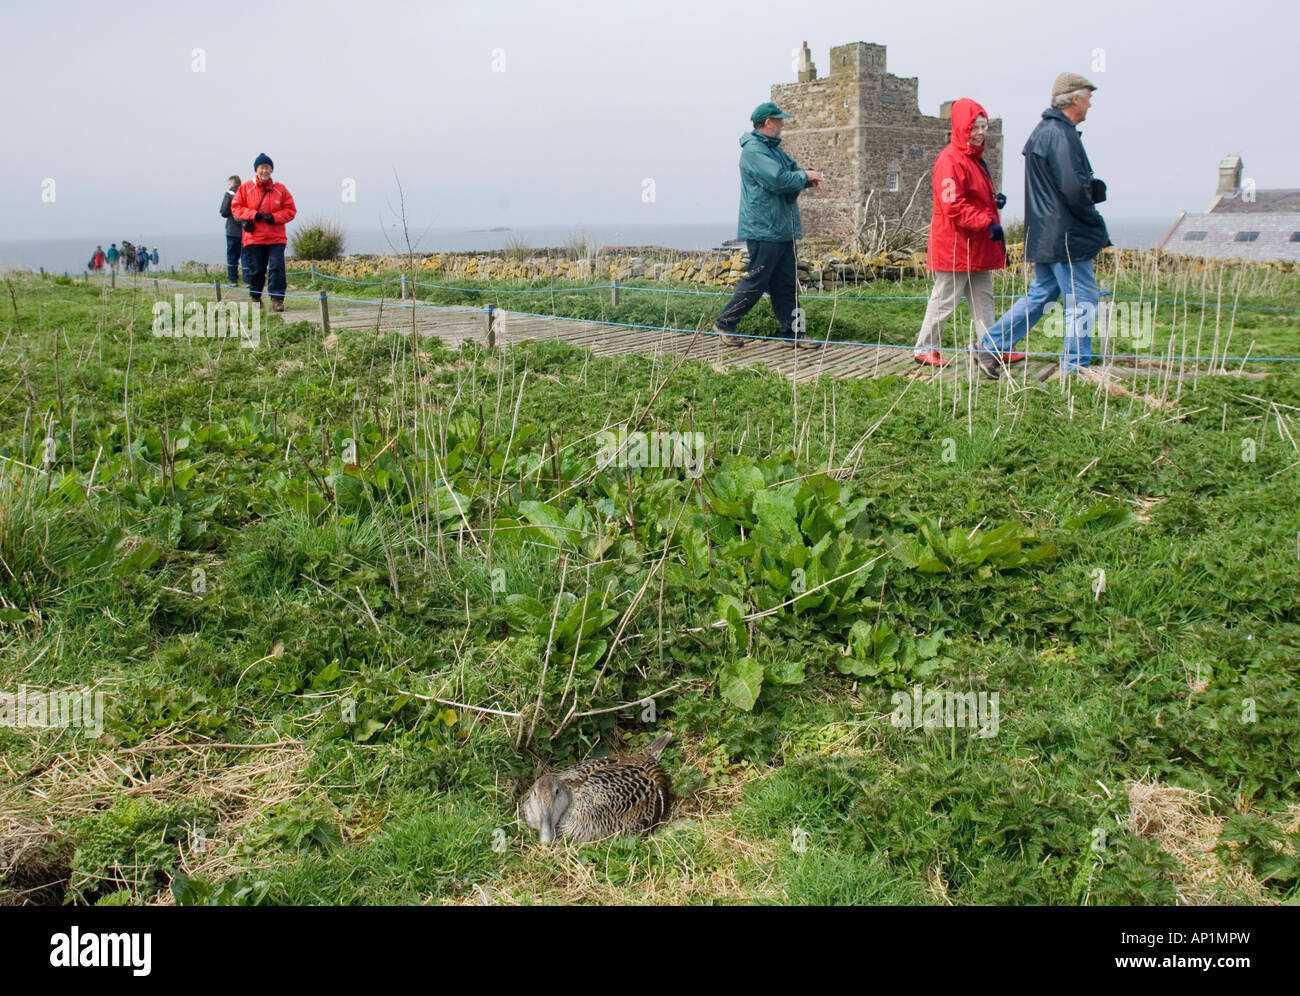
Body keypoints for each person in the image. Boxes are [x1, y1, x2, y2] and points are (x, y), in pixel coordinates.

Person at [976, 73, 1110, 378]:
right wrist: (1091, 213)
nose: (1089, 104)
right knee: (1083, 299)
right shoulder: (1060, 135)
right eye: (1088, 97)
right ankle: (1076, 368)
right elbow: (1072, 188)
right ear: (1075, 98)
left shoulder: (1045, 132)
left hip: (1046, 232)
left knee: (1042, 294)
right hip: (1066, 234)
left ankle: (990, 345)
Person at [912, 99, 1022, 368]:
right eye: (976, 126)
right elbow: (953, 206)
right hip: (956, 245)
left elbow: (968, 198)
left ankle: (990, 347)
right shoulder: (951, 160)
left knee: (983, 298)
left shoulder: (972, 159)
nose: (982, 131)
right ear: (963, 127)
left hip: (974, 245)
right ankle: (925, 347)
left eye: (984, 126)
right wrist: (987, 222)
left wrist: (993, 201)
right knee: (945, 298)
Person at [712, 102, 823, 348]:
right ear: (768, 123)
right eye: (779, 120)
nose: (783, 124)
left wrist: (806, 175)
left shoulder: (773, 150)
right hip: (763, 228)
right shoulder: (754, 151)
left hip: (781, 228)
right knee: (757, 280)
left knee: (785, 283)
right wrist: (805, 177)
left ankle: (794, 333)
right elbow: (778, 179)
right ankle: (725, 322)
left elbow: (793, 170)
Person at [231, 153, 296, 312]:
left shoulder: (280, 189)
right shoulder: (245, 188)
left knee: (276, 268)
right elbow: (236, 208)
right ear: (256, 170)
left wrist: (274, 217)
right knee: (257, 270)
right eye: (261, 167)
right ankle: (255, 296)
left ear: (271, 170)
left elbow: (291, 210)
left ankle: (277, 299)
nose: (264, 171)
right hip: (254, 238)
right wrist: (254, 215)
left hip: (276, 238)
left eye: (267, 167)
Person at [219, 174, 243, 285]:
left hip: (232, 230)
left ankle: (233, 279)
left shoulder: (229, 194)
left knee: (232, 255)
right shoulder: (245, 193)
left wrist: (231, 212)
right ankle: (248, 279)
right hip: (245, 229)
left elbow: (223, 212)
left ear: (232, 182)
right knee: (246, 255)